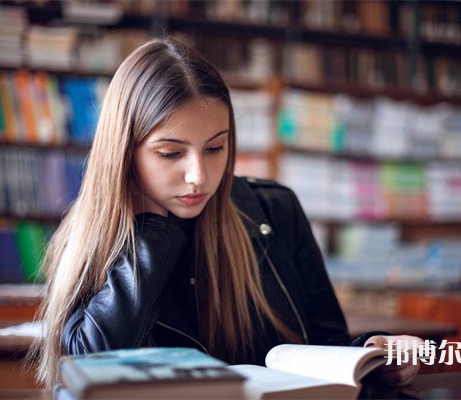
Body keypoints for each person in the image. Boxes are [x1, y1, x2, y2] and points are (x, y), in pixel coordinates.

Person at [35, 37, 422, 389]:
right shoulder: (87, 242)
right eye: (170, 153)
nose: (199, 177)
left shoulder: (276, 209)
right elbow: (86, 369)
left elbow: (326, 347)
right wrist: (150, 230)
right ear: (124, 153)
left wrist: (371, 354)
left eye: (215, 148)